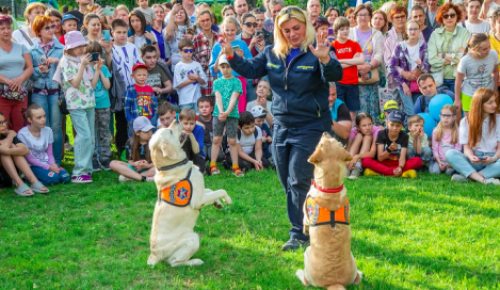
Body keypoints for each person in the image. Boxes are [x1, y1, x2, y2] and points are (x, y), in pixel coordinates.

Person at [224, 6, 343, 251]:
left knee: (298, 179)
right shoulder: (271, 53)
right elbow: (250, 70)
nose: (292, 34)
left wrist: (325, 59)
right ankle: (315, 217)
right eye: (286, 30)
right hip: (281, 126)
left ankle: (299, 233)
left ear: (305, 26)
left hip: (310, 125)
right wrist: (231, 56)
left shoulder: (316, 51)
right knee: (286, 181)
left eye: (296, 28)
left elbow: (336, 73)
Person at [57, 31, 102, 183]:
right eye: (78, 47)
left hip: (89, 102)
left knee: (91, 138)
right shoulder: (65, 61)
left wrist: (97, 70)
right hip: (76, 104)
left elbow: (93, 85)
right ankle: (78, 172)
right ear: (69, 47)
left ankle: (86, 169)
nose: (81, 49)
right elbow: (75, 83)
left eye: (83, 46)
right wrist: (83, 65)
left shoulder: (80, 60)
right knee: (84, 136)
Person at [446, 88, 500, 185]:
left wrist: (493, 159)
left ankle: (471, 177)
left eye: (494, 101)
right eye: (490, 102)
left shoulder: (498, 120)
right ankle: (484, 180)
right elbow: (466, 148)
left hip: (493, 160)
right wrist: (471, 157)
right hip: (475, 161)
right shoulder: (465, 121)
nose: (495, 105)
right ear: (480, 104)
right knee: (450, 153)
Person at [30, 15, 64, 164]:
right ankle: (43, 160)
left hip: (55, 92)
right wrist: (39, 70)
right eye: (47, 28)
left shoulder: (61, 49)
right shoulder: (32, 50)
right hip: (38, 93)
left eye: (53, 27)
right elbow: (28, 73)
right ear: (38, 31)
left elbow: (69, 70)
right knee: (42, 127)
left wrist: (59, 62)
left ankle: (56, 160)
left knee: (56, 127)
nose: (52, 30)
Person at [111, 19, 144, 154]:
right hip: (118, 90)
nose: (122, 35)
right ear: (112, 33)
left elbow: (139, 64)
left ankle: (136, 147)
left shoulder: (132, 47)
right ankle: (121, 148)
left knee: (135, 118)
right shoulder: (111, 49)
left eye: (124, 32)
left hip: (133, 89)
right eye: (118, 32)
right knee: (120, 121)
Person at [389, 20, 430, 126]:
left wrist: (421, 65)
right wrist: (403, 83)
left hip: (419, 85)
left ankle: (418, 136)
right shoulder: (400, 46)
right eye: (410, 29)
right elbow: (392, 66)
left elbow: (427, 66)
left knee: (418, 112)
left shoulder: (423, 46)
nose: (413, 31)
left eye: (415, 29)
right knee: (411, 112)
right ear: (406, 31)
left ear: (419, 30)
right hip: (404, 85)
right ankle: (408, 136)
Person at [18, 104, 70, 185]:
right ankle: (27, 178)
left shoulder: (48, 130)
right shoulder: (22, 134)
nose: (43, 120)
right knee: (54, 178)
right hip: (32, 166)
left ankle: (47, 177)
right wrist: (48, 168)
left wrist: (53, 165)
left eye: (44, 116)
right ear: (30, 120)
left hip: (47, 163)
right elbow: (29, 159)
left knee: (65, 177)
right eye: (39, 118)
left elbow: (49, 153)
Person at [0, 110, 49, 196]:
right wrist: (11, 135)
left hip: (7, 175)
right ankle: (19, 183)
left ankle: (33, 181)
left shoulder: (5, 134)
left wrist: (9, 148)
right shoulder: (10, 134)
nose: (4, 125)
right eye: (0, 123)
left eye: (4, 121)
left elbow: (25, 150)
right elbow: (3, 148)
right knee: (8, 149)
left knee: (13, 146)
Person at [209, 17, 253, 113]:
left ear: (237, 29)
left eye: (232, 30)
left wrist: (242, 58)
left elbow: (250, 65)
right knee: (224, 110)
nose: (229, 32)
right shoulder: (217, 46)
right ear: (223, 30)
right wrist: (220, 54)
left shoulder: (242, 44)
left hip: (239, 80)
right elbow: (214, 70)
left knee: (239, 110)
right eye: (227, 30)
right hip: (223, 81)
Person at [209, 55, 243, 177]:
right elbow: (217, 97)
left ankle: (235, 166)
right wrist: (222, 112)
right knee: (217, 139)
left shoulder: (237, 81)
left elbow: (234, 97)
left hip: (232, 114)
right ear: (219, 67)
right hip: (218, 114)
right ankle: (212, 165)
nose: (225, 69)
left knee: (232, 140)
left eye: (227, 66)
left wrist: (227, 112)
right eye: (222, 67)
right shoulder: (217, 82)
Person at [349, 5, 384, 121]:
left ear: (370, 17)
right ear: (355, 17)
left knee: (372, 108)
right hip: (354, 75)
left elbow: (380, 53)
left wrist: (369, 66)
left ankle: (372, 133)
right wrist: (359, 68)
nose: (363, 17)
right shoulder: (350, 33)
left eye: (366, 15)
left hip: (371, 74)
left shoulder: (377, 34)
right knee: (355, 109)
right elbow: (346, 53)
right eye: (360, 15)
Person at [362, 110, 423, 178]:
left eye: (397, 126)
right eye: (392, 125)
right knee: (366, 161)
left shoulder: (404, 135)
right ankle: (392, 172)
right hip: (383, 163)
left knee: (418, 160)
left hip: (397, 162)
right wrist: (389, 149)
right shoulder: (381, 134)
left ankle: (388, 171)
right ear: (387, 123)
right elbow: (380, 158)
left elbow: (402, 157)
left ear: (402, 126)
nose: (394, 128)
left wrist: (400, 167)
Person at [0, 16, 34, 133]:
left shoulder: (21, 47)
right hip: (1, 95)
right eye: (2, 28)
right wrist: (8, 81)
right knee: (3, 126)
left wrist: (19, 80)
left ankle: (20, 150)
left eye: (8, 28)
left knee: (20, 125)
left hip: (19, 93)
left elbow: (29, 68)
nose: (6, 31)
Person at [427, 2, 470, 93]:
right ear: (441, 18)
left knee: (455, 106)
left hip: (457, 79)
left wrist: (442, 55)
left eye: (452, 15)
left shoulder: (465, 33)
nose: (449, 18)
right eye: (446, 16)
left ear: (457, 16)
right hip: (438, 79)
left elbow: (465, 57)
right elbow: (431, 58)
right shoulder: (435, 34)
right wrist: (454, 58)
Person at [83, 41, 112, 171]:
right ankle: (94, 158)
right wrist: (94, 71)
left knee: (104, 131)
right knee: (92, 132)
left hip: (104, 104)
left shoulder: (104, 69)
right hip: (91, 105)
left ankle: (105, 157)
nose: (95, 58)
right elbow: (92, 87)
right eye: (92, 55)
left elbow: (107, 86)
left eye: (98, 54)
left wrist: (100, 70)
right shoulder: (84, 69)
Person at [455, 33, 499, 117]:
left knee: (488, 122)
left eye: (489, 46)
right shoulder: (465, 61)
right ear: (474, 49)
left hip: (487, 93)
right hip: (470, 94)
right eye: (484, 49)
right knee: (471, 124)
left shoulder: (493, 54)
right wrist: (457, 99)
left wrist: (495, 90)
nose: (488, 50)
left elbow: (495, 72)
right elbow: (458, 80)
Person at [332, 17, 365, 121]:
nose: (345, 31)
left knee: (352, 113)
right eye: (342, 29)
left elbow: (361, 60)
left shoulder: (354, 44)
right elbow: (333, 65)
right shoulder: (332, 46)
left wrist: (341, 61)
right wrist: (352, 61)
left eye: (347, 28)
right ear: (336, 31)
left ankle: (351, 135)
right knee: (339, 112)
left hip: (353, 83)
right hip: (338, 83)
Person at [110, 116, 155, 182]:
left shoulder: (155, 142)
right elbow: (130, 161)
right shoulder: (130, 143)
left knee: (163, 166)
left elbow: (158, 162)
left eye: (150, 130)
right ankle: (143, 178)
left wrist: (147, 166)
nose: (149, 133)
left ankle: (132, 177)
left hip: (149, 168)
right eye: (146, 132)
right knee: (113, 163)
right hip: (135, 168)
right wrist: (135, 164)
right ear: (137, 133)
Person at [173, 39, 207, 110]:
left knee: (197, 120)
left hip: (197, 99)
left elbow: (204, 82)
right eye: (186, 51)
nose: (188, 53)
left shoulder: (197, 64)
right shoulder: (178, 66)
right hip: (184, 100)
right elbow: (177, 84)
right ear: (180, 51)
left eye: (191, 51)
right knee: (186, 119)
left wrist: (197, 78)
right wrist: (192, 80)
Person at [125, 63, 158, 133]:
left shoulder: (150, 89)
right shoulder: (131, 89)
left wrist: (154, 118)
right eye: (139, 75)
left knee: (150, 139)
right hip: (136, 121)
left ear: (147, 75)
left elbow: (155, 104)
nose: (142, 77)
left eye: (144, 75)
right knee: (134, 140)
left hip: (149, 121)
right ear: (133, 76)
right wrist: (130, 120)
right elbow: (127, 106)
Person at [193, 10, 219, 98]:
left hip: (220, 80)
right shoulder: (196, 40)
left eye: (207, 20)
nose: (206, 23)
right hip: (205, 84)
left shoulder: (220, 38)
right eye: (202, 21)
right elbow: (194, 64)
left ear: (211, 20)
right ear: (199, 23)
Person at [346, 113, 380, 179]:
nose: (368, 128)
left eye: (370, 124)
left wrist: (358, 156)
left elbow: (372, 153)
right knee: (359, 136)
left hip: (367, 157)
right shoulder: (354, 131)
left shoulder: (377, 131)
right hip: (353, 156)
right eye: (364, 125)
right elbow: (348, 149)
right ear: (358, 127)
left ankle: (357, 168)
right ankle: (348, 167)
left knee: (368, 137)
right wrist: (347, 160)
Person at [384, 6, 411, 90]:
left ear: (406, 17)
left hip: (413, 76)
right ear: (392, 19)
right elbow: (388, 61)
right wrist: (403, 73)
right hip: (396, 79)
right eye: (397, 17)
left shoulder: (415, 32)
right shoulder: (388, 36)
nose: (400, 19)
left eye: (402, 16)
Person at [430, 104, 461, 174]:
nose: (446, 118)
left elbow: (458, 148)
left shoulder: (457, 131)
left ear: (454, 117)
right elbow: (434, 148)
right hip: (439, 159)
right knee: (435, 172)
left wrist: (452, 162)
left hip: (451, 160)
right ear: (440, 116)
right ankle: (433, 163)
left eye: (449, 116)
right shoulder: (436, 131)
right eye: (444, 115)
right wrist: (439, 161)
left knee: (449, 172)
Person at [165, 4, 191, 72]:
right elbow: (168, 36)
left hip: (190, 64)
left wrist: (192, 39)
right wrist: (172, 15)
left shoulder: (191, 28)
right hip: (176, 65)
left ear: (186, 16)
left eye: (181, 12)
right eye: (176, 13)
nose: (179, 14)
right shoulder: (168, 29)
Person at [178, 108, 206, 172]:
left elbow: (196, 151)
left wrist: (191, 135)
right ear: (180, 121)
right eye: (185, 123)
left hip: (197, 155)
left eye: (192, 123)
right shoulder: (177, 130)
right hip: (182, 156)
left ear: (195, 122)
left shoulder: (199, 129)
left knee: (201, 169)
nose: (189, 126)